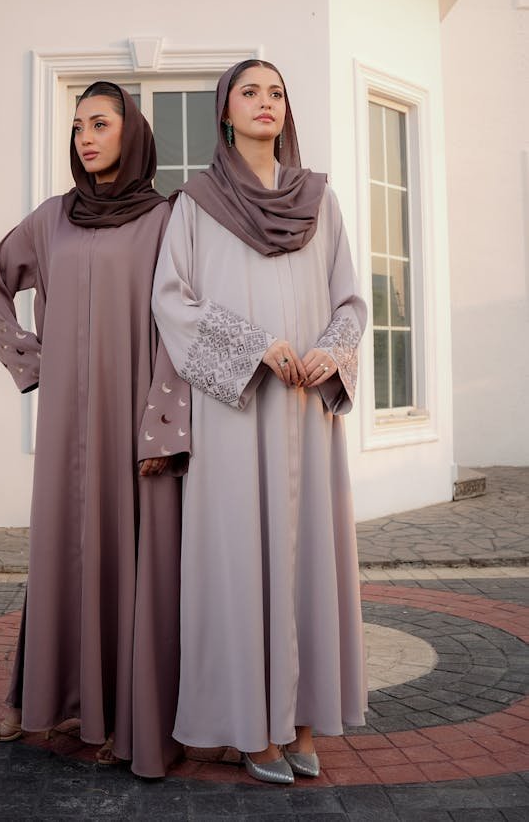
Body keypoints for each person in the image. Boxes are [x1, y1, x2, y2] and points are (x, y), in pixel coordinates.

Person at [150, 60, 368, 784]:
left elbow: (349, 301)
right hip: (238, 412)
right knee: (239, 561)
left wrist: (327, 351)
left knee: (308, 559)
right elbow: (171, 303)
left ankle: (303, 720)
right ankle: (250, 728)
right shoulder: (197, 203)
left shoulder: (320, 200)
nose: (265, 102)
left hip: (305, 408)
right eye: (250, 92)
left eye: (276, 92)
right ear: (225, 112)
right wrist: (250, 347)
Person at [0, 82, 189, 779]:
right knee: (62, 551)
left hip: (136, 417)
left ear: (131, 133)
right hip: (68, 421)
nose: (86, 137)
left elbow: (181, 327)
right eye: (77, 127)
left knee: (130, 556)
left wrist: (165, 425)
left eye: (100, 123)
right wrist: (33, 364)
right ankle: (44, 702)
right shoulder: (50, 219)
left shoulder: (165, 219)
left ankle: (121, 717)